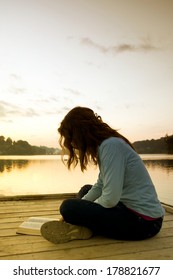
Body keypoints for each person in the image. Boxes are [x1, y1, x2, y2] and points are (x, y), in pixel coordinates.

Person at [41, 106, 165, 243]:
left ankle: (84, 227)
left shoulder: (110, 146)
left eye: (71, 138)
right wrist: (82, 208)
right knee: (86, 190)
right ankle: (85, 228)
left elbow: (110, 199)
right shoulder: (107, 145)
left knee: (67, 207)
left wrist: (79, 213)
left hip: (144, 223)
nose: (71, 144)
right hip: (129, 210)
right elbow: (101, 185)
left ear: (80, 132)